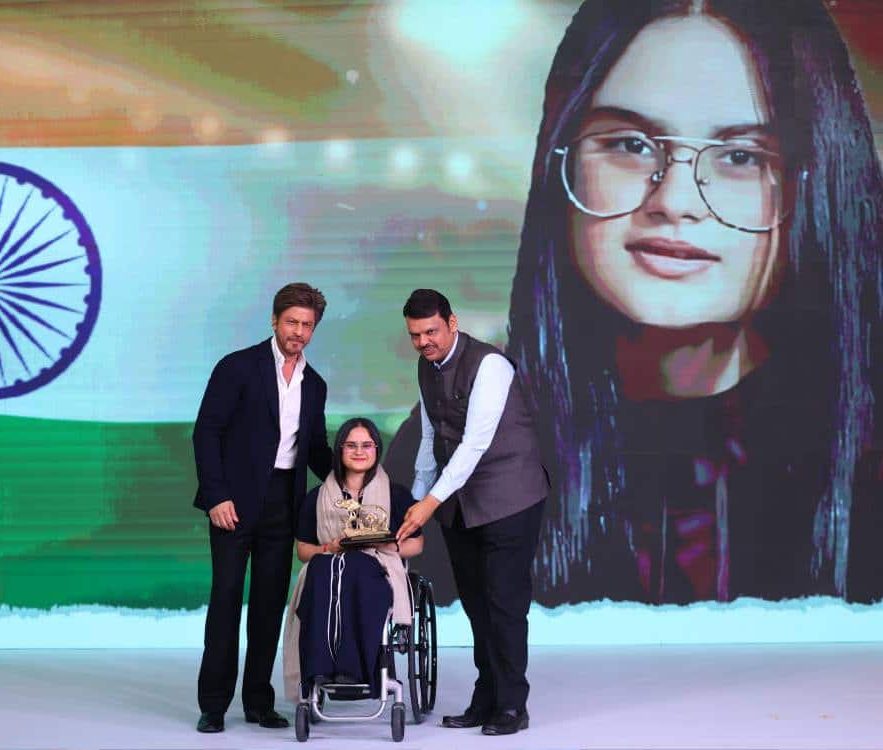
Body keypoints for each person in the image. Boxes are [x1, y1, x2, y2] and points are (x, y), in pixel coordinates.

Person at [505, 0, 883, 604]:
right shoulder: (464, 434)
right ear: (562, 157)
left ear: (821, 182)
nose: (675, 200)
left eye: (741, 156)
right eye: (630, 144)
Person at [396, 288, 550, 736]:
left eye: (431, 331)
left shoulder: (490, 365)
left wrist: (428, 504)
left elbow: (475, 444)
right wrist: (415, 503)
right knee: (477, 605)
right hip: (459, 505)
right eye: (415, 335)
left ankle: (512, 705)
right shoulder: (425, 368)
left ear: (452, 323)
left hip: (510, 499)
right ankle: (486, 698)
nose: (424, 342)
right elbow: (430, 439)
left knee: (504, 603)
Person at [192, 282, 332, 733]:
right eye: (291, 322)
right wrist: (216, 496)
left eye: (307, 325)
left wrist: (355, 473)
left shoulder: (315, 384)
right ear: (274, 321)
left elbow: (314, 448)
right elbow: (206, 432)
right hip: (232, 502)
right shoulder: (237, 367)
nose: (298, 332)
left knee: (269, 607)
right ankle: (214, 705)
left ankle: (258, 701)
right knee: (226, 600)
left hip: (283, 503)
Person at [282, 417, 423, 703]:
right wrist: (330, 547)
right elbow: (304, 550)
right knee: (323, 566)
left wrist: (384, 543)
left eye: (366, 445)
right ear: (340, 450)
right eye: (351, 445)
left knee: (357, 564)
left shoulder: (396, 494)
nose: (359, 451)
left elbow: (417, 544)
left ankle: (352, 669)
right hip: (329, 567)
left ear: (376, 450)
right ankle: (319, 671)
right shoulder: (317, 498)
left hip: (376, 569)